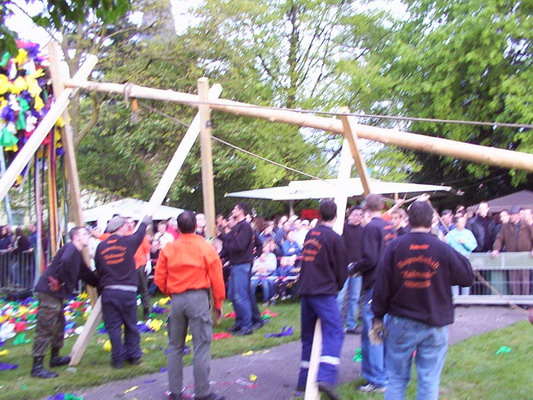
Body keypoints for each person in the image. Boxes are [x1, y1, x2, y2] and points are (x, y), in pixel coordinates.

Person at [371, 200, 474, 400]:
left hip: (402, 321)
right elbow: (466, 276)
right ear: (431, 220)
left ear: (409, 220)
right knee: (429, 380)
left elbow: (382, 285)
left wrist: (378, 316)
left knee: (396, 379)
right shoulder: (440, 248)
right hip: (434, 321)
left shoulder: (395, 247)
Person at [155, 211, 225, 400]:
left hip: (177, 299)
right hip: (197, 297)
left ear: (177, 227)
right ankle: (202, 393)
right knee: (201, 345)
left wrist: (171, 292)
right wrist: (218, 303)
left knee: (175, 346)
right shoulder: (205, 247)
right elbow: (217, 278)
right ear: (196, 226)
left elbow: (159, 278)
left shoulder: (169, 249)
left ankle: (175, 392)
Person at [31, 227, 99, 378]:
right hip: (49, 292)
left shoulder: (76, 253)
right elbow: (65, 263)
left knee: (59, 325)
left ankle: (55, 358)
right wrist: (59, 280)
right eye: (84, 234)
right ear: (76, 237)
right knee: (46, 327)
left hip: (55, 294)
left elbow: (85, 273)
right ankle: (37, 367)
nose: (88, 236)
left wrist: (100, 283)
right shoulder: (70, 250)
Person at [296, 200, 348, 400]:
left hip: (306, 289)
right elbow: (341, 269)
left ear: (319, 214)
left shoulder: (311, 234)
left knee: (308, 337)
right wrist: (338, 286)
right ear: (335, 215)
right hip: (323, 291)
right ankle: (326, 376)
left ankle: (303, 380)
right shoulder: (335, 238)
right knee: (335, 331)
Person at [349, 193, 396, 393]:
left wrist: (353, 267)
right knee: (384, 330)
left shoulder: (371, 227)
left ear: (367, 208)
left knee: (373, 331)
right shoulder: (389, 226)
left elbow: (370, 259)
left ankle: (377, 379)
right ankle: (386, 374)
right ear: (382, 206)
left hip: (376, 284)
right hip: (390, 283)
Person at [95, 214, 151, 368]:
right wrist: (145, 221)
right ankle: (134, 356)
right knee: (130, 324)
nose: (128, 228)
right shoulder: (128, 242)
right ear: (121, 228)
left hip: (109, 290)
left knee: (113, 327)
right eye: (126, 225)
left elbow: (99, 269)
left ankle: (117, 360)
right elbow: (140, 233)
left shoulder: (101, 246)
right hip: (127, 291)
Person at [220, 202, 256, 336]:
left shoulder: (245, 226)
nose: (233, 210)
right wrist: (219, 255)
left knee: (240, 296)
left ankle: (247, 326)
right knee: (233, 295)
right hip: (235, 265)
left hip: (242, 265)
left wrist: (227, 243)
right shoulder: (237, 227)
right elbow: (228, 244)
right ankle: (239, 323)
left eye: (235, 208)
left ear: (241, 211)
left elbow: (239, 245)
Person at [492, 206, 533, 295]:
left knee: (525, 280)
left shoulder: (526, 226)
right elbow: (499, 239)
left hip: (524, 257)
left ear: (518, 215)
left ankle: (525, 299)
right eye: (510, 214)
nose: (512, 216)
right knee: (513, 280)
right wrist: (496, 249)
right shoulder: (505, 227)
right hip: (511, 257)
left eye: (514, 214)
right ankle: (515, 299)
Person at [337, 206, 364, 334]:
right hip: (343, 267)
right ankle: (336, 324)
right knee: (340, 297)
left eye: (360, 215)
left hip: (357, 268)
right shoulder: (342, 228)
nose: (358, 217)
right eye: (356, 214)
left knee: (354, 298)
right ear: (349, 215)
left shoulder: (363, 230)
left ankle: (351, 324)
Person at [445, 215, 477, 296]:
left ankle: (465, 298)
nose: (463, 223)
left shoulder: (468, 233)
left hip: (465, 259)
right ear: (456, 223)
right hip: (453, 260)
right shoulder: (450, 234)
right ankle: (455, 298)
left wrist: (465, 243)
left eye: (464, 222)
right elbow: (445, 246)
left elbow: (473, 246)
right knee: (454, 281)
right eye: (461, 222)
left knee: (465, 280)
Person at [250, 239, 277, 304]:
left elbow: (273, 267)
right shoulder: (258, 256)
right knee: (252, 284)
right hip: (257, 274)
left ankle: (266, 300)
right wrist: (257, 269)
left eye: (268, 247)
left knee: (265, 285)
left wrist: (265, 267)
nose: (267, 249)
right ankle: (252, 301)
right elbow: (252, 268)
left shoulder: (272, 256)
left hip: (266, 274)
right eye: (265, 247)